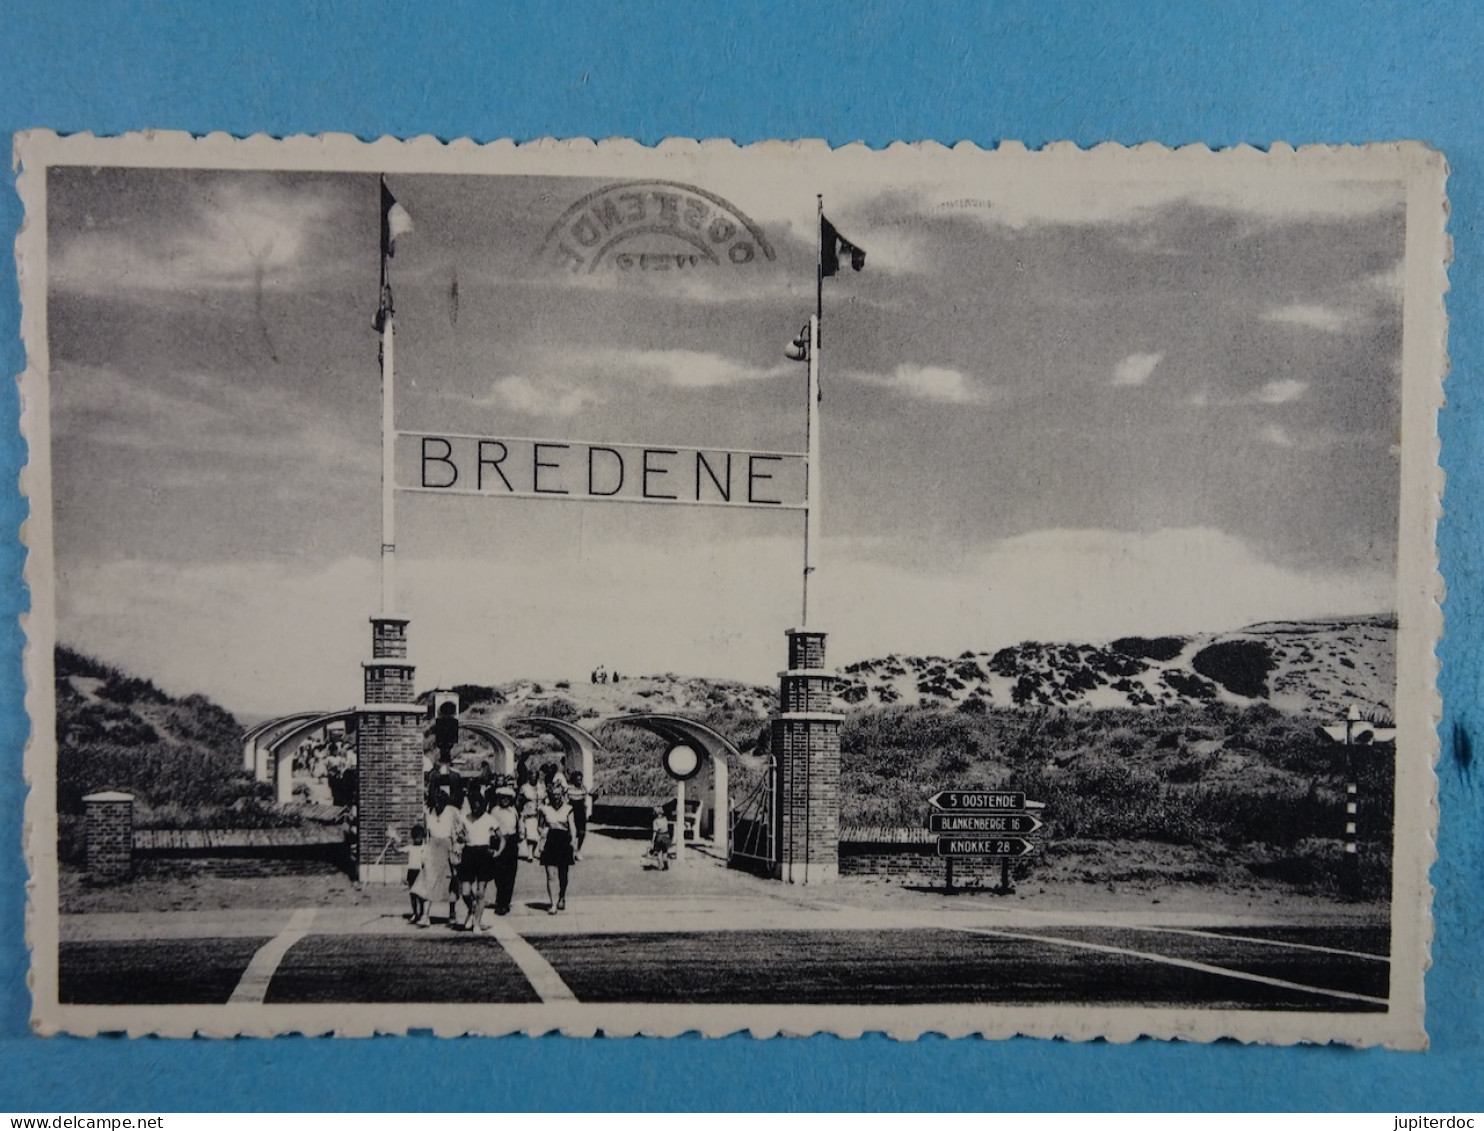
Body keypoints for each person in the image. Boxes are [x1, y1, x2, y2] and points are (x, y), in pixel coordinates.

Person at [415, 789, 464, 927]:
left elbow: (459, 830)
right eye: (435, 801)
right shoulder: (428, 813)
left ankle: (452, 913)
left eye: (440, 801)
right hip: (432, 848)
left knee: (451, 882)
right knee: (427, 881)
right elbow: (426, 834)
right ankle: (425, 915)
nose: (438, 804)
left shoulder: (452, 811)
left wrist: (457, 848)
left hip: (447, 848)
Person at [458, 792, 502, 931]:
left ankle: (477, 922)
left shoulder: (490, 819)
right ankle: (471, 911)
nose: (476, 810)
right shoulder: (464, 818)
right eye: (473, 807)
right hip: (469, 853)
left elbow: (502, 838)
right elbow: (459, 835)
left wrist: (498, 851)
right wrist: (462, 838)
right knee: (465, 892)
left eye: (478, 807)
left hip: (483, 854)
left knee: (480, 892)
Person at [538, 782, 577, 914]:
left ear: (562, 795)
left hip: (563, 840)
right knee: (550, 875)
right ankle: (553, 903)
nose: (556, 797)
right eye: (553, 794)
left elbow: (572, 826)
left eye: (558, 795)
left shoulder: (568, 808)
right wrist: (543, 832)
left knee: (563, 874)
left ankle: (562, 896)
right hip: (550, 840)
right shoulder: (544, 809)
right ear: (549, 795)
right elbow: (540, 826)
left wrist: (573, 842)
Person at [488, 782, 522, 916]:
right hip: (498, 842)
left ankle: (505, 902)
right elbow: (490, 828)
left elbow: (518, 826)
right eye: (502, 797)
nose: (505, 800)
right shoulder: (494, 811)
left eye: (507, 798)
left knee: (510, 873)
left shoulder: (513, 811)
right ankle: (500, 899)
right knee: (498, 873)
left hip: (511, 842)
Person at [517, 766, 542, 861]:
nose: (533, 778)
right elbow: (519, 800)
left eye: (535, 776)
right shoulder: (524, 787)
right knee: (530, 833)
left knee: (537, 834)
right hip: (529, 812)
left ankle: (535, 851)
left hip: (540, 813)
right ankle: (530, 853)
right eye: (531, 776)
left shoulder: (541, 786)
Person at [406, 824, 428, 926]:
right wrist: (393, 843)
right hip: (411, 872)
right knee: (412, 894)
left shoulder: (425, 847)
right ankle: (415, 913)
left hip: (420, 872)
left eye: (419, 837)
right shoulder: (410, 847)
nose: (417, 840)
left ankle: (423, 913)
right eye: (415, 837)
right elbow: (398, 851)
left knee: (421, 894)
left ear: (423, 837)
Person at [566, 770, 589, 859]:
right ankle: (571, 851)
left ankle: (578, 850)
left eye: (580, 779)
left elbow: (585, 801)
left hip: (581, 812)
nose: (579, 781)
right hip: (572, 812)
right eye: (577, 780)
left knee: (582, 832)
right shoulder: (569, 789)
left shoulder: (583, 789)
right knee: (571, 833)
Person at [648, 805, 671, 870]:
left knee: (658, 852)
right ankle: (665, 863)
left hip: (659, 836)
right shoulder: (665, 819)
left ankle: (660, 865)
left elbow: (655, 831)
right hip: (666, 836)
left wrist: (652, 841)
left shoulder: (655, 821)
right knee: (665, 852)